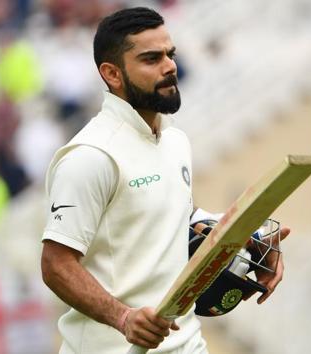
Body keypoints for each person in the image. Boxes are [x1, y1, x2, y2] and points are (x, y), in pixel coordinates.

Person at [40, 7, 289, 354]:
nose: (170, 66)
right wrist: (123, 317)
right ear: (112, 74)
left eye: (170, 54)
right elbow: (56, 265)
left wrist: (245, 238)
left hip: (188, 344)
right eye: (151, 58)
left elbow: (173, 220)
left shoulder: (175, 141)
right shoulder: (90, 156)